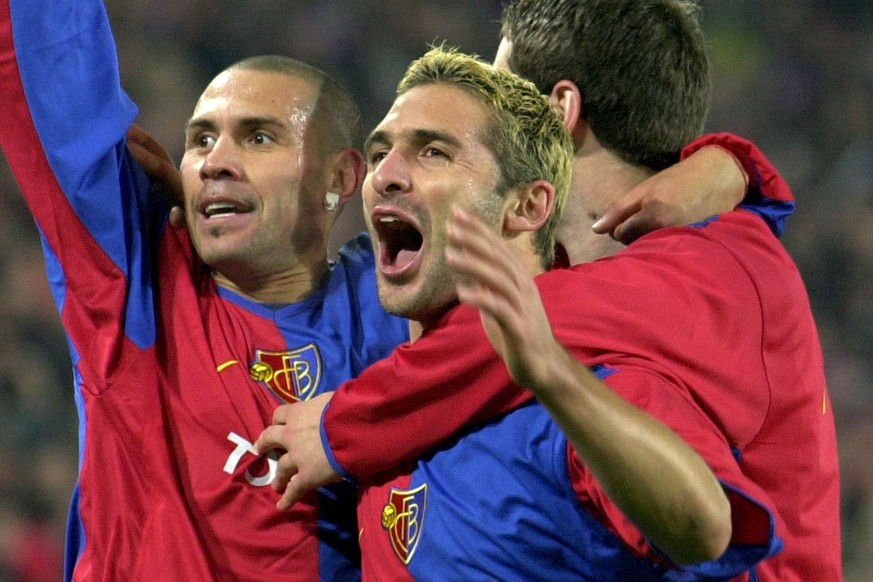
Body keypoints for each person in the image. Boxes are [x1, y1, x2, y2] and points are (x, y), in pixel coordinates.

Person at [257, 1, 841, 580]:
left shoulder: (699, 271)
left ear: (557, 109)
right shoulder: (630, 265)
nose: (491, 97)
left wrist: (339, 430)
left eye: (500, 81)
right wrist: (733, 164)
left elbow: (511, 334)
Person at [0, 0, 410, 579]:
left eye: (259, 138)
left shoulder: (401, 306)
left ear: (342, 177)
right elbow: (44, 63)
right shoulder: (134, 289)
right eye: (201, 140)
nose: (216, 161)